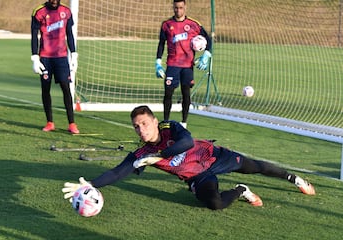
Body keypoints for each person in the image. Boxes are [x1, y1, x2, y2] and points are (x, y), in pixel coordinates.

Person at [62, 105, 316, 211]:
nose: (141, 129)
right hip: (198, 175)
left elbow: (187, 142)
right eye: (136, 127)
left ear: (153, 121)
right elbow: (118, 172)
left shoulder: (169, 128)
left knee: (256, 166)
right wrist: (91, 185)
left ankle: (295, 179)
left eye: (144, 123)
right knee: (214, 204)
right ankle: (241, 190)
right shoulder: (140, 154)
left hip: (215, 157)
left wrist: (160, 155)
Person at [155, 0, 212, 129]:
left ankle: (184, 122)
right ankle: (166, 122)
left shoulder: (193, 24)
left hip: (187, 66)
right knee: (168, 92)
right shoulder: (166, 25)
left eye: (180, 8)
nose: (178, 10)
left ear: (185, 7)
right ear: (173, 8)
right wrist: (158, 61)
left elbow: (208, 40)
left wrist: (207, 55)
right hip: (172, 64)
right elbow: (161, 44)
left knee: (186, 92)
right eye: (176, 8)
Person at [31, 0, 79, 134]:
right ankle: (50, 122)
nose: (54, 1)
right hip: (45, 58)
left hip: (61, 57)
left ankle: (72, 123)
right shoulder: (38, 12)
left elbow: (69, 34)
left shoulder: (66, 12)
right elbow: (34, 36)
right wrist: (35, 57)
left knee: (65, 87)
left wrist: (74, 53)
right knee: (45, 88)